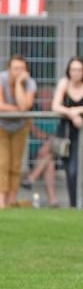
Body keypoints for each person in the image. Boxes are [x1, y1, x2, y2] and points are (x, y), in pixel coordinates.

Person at [51, 57, 83, 208]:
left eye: (79, 70)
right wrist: (71, 114)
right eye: (73, 69)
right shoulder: (64, 83)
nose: (76, 73)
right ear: (68, 70)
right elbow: (55, 106)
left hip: (81, 134)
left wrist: (78, 110)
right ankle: (76, 204)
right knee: (68, 170)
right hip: (64, 133)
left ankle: (80, 204)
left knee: (76, 170)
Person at [0, 54, 36, 209]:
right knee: (2, 163)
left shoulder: (29, 83)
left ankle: (11, 201)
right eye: (15, 68)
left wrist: (20, 84)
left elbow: (26, 105)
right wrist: (18, 110)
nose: (18, 71)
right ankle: (1, 201)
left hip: (20, 127)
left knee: (15, 165)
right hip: (1, 126)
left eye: (21, 68)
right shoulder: (1, 79)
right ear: (9, 68)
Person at [21, 95, 60, 208]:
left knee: (49, 156)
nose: (45, 101)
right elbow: (34, 131)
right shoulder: (33, 115)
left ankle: (31, 179)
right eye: (43, 98)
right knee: (49, 160)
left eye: (48, 98)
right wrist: (49, 140)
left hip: (53, 155)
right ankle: (53, 201)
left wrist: (47, 144)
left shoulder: (56, 116)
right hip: (35, 156)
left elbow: (58, 135)